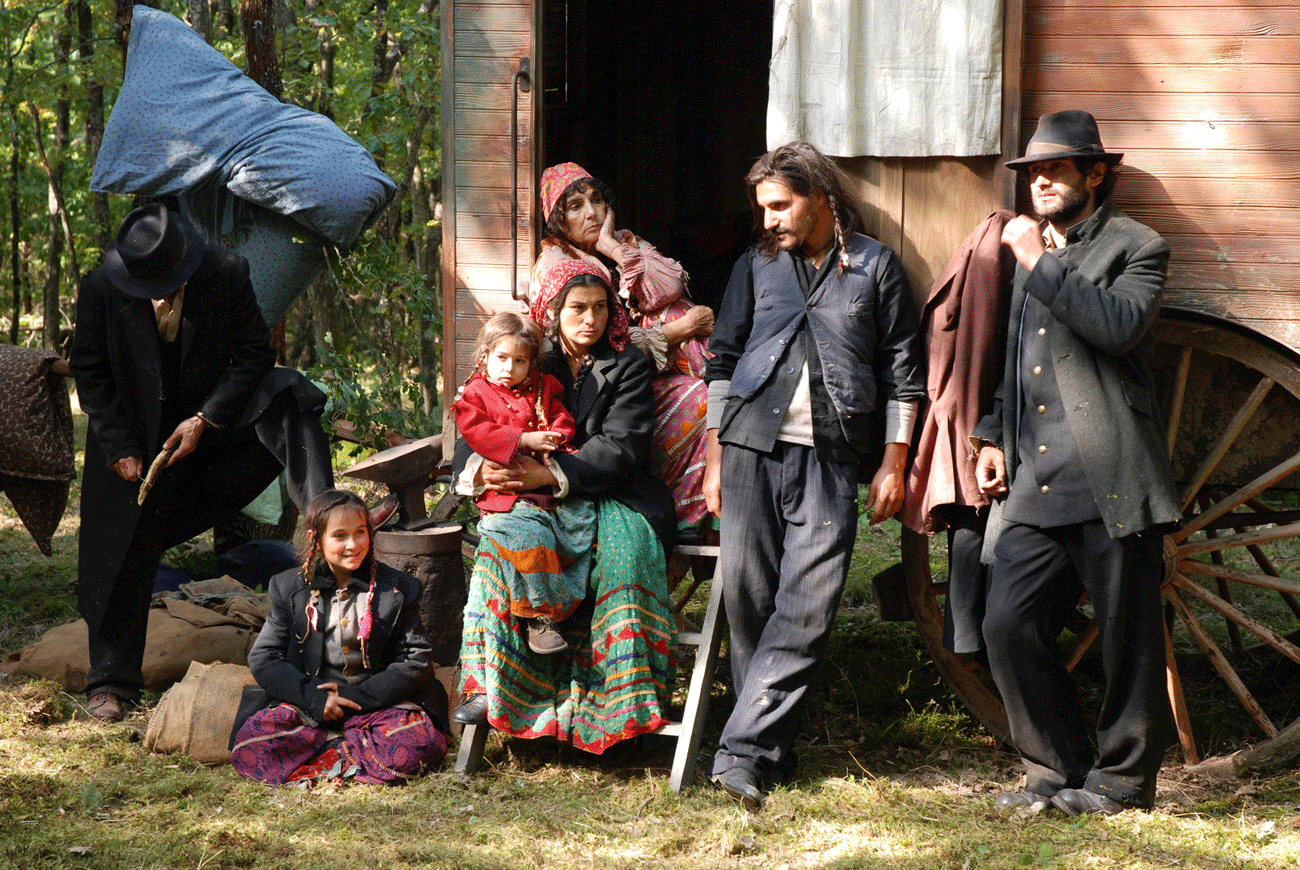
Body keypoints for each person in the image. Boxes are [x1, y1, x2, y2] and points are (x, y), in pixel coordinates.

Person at [703, 142, 925, 808]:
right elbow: (722, 360)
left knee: (807, 609)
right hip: (748, 448)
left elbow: (903, 374)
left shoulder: (877, 269)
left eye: (780, 205)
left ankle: (738, 752)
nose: (767, 220)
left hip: (830, 456)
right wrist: (715, 459)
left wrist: (894, 458)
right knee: (748, 603)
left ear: (819, 197)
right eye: (762, 208)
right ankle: (765, 753)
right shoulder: (755, 266)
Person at [972, 110, 1180, 816]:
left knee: (1128, 639)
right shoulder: (1032, 250)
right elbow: (1013, 357)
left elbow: (1117, 330)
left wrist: (1040, 260)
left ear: (1097, 173)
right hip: (1037, 478)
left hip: (1109, 475)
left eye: (1057, 170)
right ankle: (1053, 769)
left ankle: (1121, 784)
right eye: (1034, 173)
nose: (1042, 184)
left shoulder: (1138, 247)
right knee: (1007, 624)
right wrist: (992, 434)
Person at [70, 203, 334, 723]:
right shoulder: (100, 286)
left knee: (289, 395)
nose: (159, 295)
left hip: (209, 432)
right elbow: (90, 370)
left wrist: (205, 419)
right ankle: (111, 680)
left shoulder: (226, 273)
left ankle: (327, 529)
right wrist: (119, 444)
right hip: (133, 442)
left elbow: (254, 354)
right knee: (115, 547)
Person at [451, 258, 678, 754]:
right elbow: (481, 413)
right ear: (554, 311)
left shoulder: (628, 364)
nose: (589, 319)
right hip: (530, 496)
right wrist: (479, 471)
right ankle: (501, 696)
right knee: (497, 558)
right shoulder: (529, 355)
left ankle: (620, 708)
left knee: (624, 557)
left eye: (600, 307)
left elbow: (623, 447)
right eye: (577, 307)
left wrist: (552, 474)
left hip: (615, 492)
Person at [530, 162, 713, 531]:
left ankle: (683, 505)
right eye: (576, 206)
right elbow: (596, 341)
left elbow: (670, 285)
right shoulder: (556, 263)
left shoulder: (621, 241)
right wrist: (678, 329)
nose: (593, 212)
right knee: (697, 394)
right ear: (557, 219)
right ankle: (675, 506)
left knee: (675, 309)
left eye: (597, 200)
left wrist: (612, 247)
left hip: (632, 368)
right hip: (596, 385)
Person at [230, 489, 448, 785]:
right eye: (340, 536)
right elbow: (264, 657)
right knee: (251, 748)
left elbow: (416, 659)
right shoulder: (289, 588)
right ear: (315, 539)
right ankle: (357, 755)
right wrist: (316, 699)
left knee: (419, 747)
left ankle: (326, 756)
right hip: (310, 709)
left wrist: (352, 697)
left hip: (380, 706)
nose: (353, 545)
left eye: (361, 533)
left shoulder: (397, 588)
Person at [452, 311, 591, 656]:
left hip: (544, 491)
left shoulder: (544, 387)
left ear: (531, 363)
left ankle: (574, 610)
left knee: (584, 524)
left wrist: (557, 436)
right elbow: (478, 433)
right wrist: (524, 440)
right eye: (501, 358)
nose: (509, 368)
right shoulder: (474, 394)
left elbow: (561, 418)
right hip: (506, 496)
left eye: (519, 361)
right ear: (485, 355)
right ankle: (538, 617)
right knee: (529, 538)